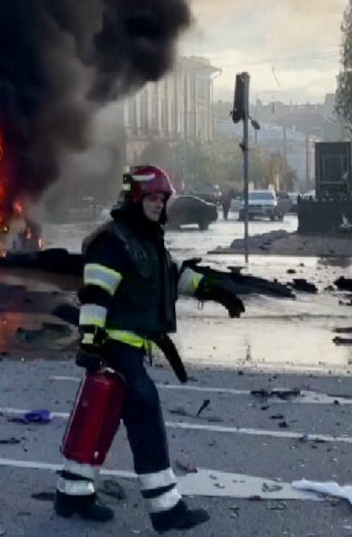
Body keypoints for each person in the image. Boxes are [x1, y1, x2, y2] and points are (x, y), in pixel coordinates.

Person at [55, 164, 246, 531]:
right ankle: (166, 509)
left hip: (131, 347)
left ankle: (72, 493)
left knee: (103, 418)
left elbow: (172, 277)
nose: (160, 205)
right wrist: (91, 344)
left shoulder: (144, 239)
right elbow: (95, 295)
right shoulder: (113, 241)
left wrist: (217, 291)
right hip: (115, 348)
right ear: (136, 197)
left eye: (163, 199)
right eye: (154, 198)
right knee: (147, 421)